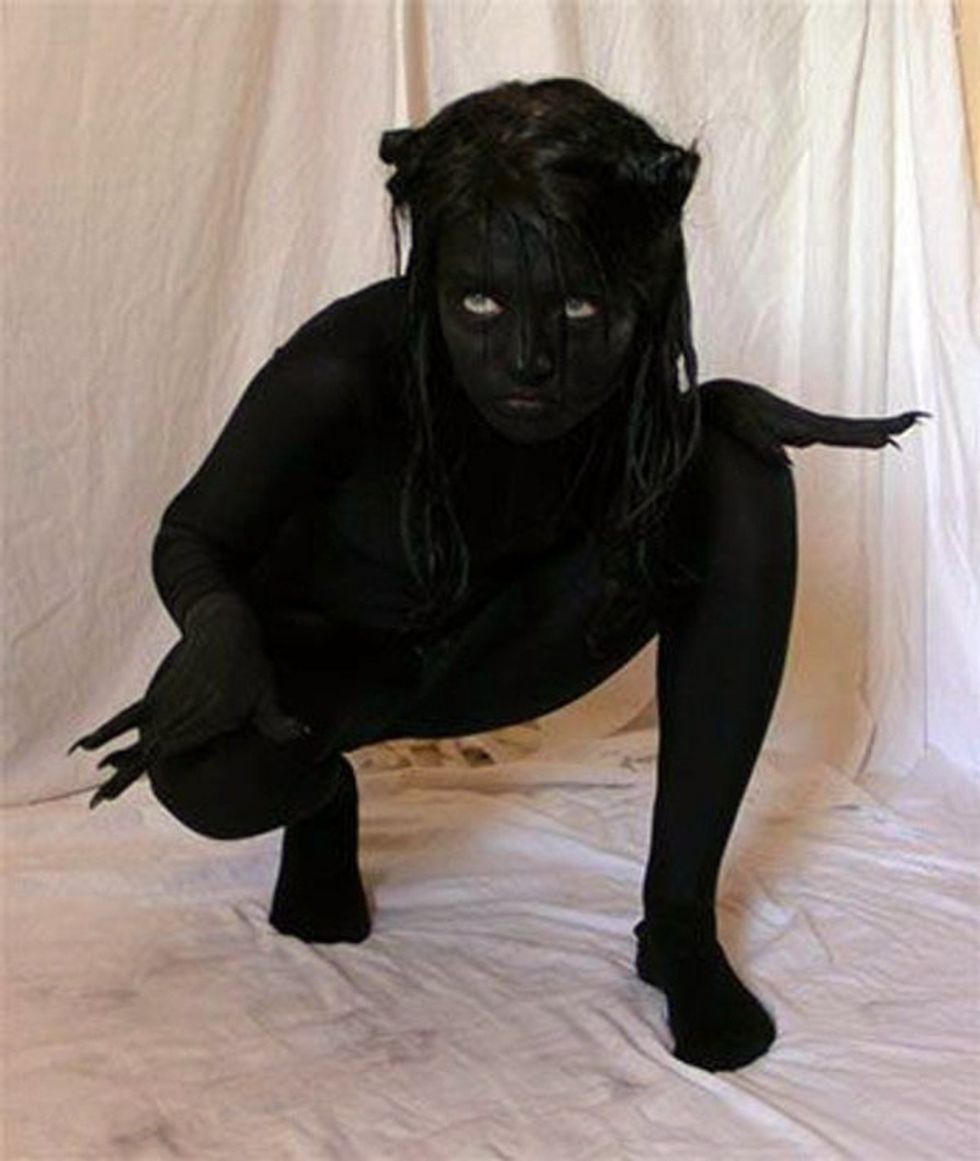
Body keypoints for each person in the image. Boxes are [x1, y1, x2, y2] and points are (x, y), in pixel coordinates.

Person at [69, 78, 924, 1073]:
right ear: (433, 277)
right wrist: (217, 623)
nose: (527, 359)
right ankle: (319, 804)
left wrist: (702, 421)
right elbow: (193, 530)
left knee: (741, 470)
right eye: (478, 302)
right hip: (343, 675)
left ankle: (677, 921)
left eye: (578, 307)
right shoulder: (341, 370)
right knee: (209, 774)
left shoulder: (625, 354)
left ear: (641, 293)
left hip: (510, 645)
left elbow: (628, 491)